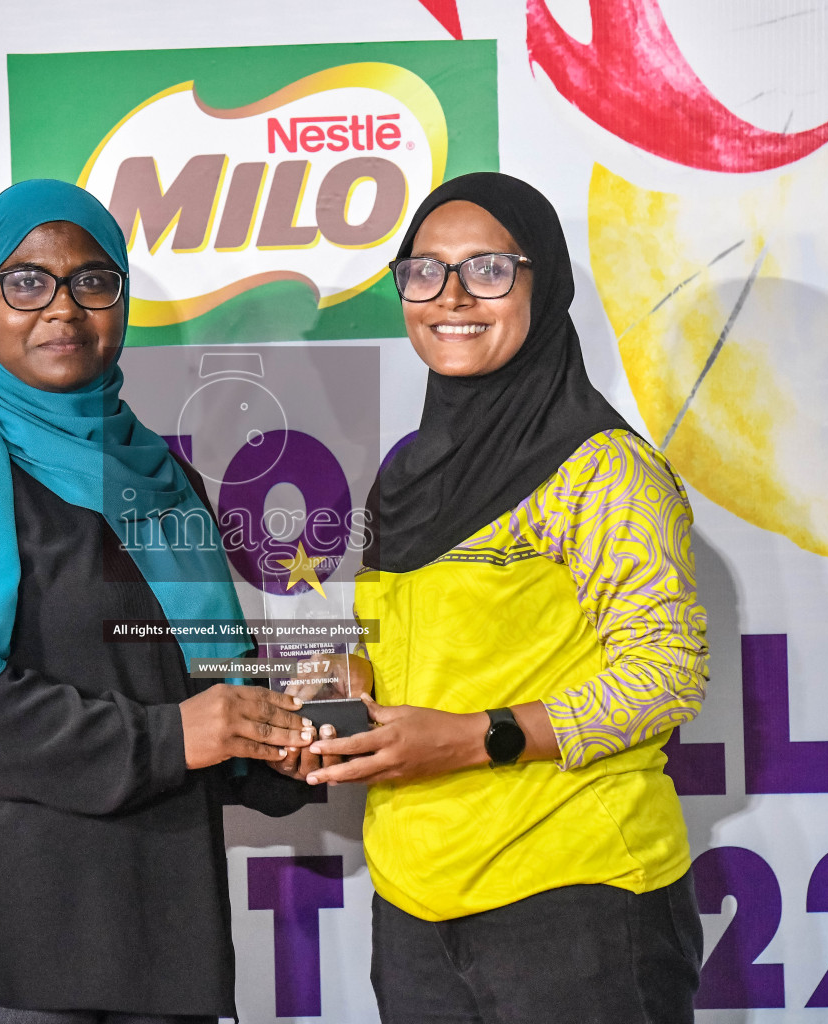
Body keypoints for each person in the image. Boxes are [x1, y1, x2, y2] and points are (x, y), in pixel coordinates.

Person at [0, 179, 312, 1024]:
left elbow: (204, 688)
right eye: (27, 281)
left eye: (93, 280)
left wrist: (285, 738)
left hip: (156, 938)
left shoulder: (158, 475)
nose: (64, 310)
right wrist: (170, 738)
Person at [303, 173, 709, 1023]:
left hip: (575, 892)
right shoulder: (405, 475)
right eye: (424, 271)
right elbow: (387, 646)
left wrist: (473, 738)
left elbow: (666, 675)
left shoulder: (603, 469)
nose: (451, 297)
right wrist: (343, 681)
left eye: (488, 269)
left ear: (544, 284)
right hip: (416, 898)